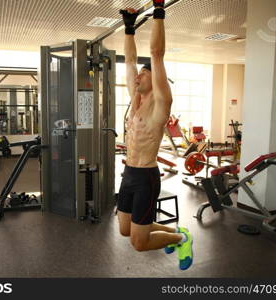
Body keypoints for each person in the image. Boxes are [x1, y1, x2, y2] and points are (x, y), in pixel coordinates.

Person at [117, 0, 193, 271]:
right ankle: (173, 230)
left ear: (155, 78)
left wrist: (158, 11)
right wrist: (129, 29)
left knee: (138, 242)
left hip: (146, 178)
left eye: (143, 73)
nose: (137, 77)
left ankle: (182, 237)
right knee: (126, 231)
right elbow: (128, 61)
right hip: (128, 174)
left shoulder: (161, 102)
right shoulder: (135, 98)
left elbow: (156, 53)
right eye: (137, 74)